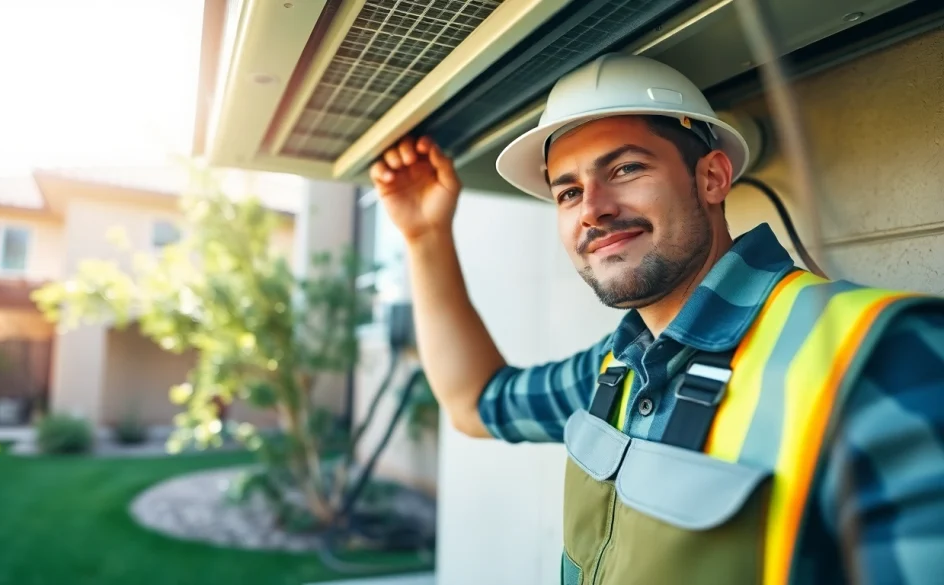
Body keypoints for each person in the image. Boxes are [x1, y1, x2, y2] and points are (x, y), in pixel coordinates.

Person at [369, 53, 944, 584]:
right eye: (567, 193)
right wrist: (424, 236)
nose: (592, 209)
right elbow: (475, 402)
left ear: (712, 178)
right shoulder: (620, 365)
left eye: (625, 169)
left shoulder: (884, 359)